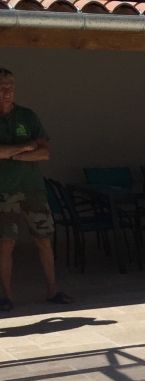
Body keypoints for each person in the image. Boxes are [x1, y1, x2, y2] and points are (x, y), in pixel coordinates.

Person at [0, 67, 64, 312]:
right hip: (4, 192)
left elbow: (45, 152)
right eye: (2, 88)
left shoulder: (28, 116)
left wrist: (11, 155)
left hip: (33, 190)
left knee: (44, 239)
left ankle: (53, 290)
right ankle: (7, 296)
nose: (7, 92)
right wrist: (25, 147)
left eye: (10, 87)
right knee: (6, 243)